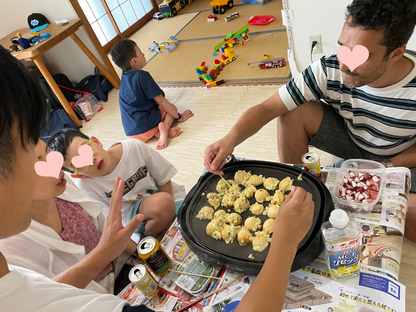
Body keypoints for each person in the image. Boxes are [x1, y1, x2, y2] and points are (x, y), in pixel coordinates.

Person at [0, 45, 314, 312]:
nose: (49, 164)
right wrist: (285, 240)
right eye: (31, 146)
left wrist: (111, 251)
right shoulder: (25, 269)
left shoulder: (62, 197)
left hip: (123, 264)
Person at [204, 0, 416, 242]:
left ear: (396, 54)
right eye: (343, 48)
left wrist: (388, 167)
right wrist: (230, 139)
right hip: (352, 141)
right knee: (292, 109)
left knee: (409, 218)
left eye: (361, 56)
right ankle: (297, 190)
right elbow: (268, 107)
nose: (344, 64)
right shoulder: (330, 68)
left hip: (400, 157)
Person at [0, 140, 139, 294]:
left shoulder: (59, 188)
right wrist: (104, 252)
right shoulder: (11, 247)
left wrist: (139, 255)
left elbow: (109, 231)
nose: (57, 166)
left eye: (49, 152)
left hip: (123, 269)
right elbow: (47, 297)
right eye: (40, 163)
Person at [47, 128, 186, 241]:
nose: (91, 161)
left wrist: (169, 212)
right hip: (133, 216)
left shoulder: (134, 147)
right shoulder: (86, 185)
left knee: (185, 212)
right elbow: (110, 218)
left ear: (96, 141)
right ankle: (152, 235)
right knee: (163, 204)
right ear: (79, 174)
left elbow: (163, 178)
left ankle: (162, 229)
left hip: (162, 196)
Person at [110, 38, 194, 150]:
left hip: (133, 134)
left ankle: (157, 133)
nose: (143, 54)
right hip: (146, 126)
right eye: (140, 52)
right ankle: (164, 128)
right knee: (171, 108)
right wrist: (179, 117)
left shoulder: (124, 77)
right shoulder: (142, 76)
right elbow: (161, 101)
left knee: (153, 109)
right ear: (134, 61)